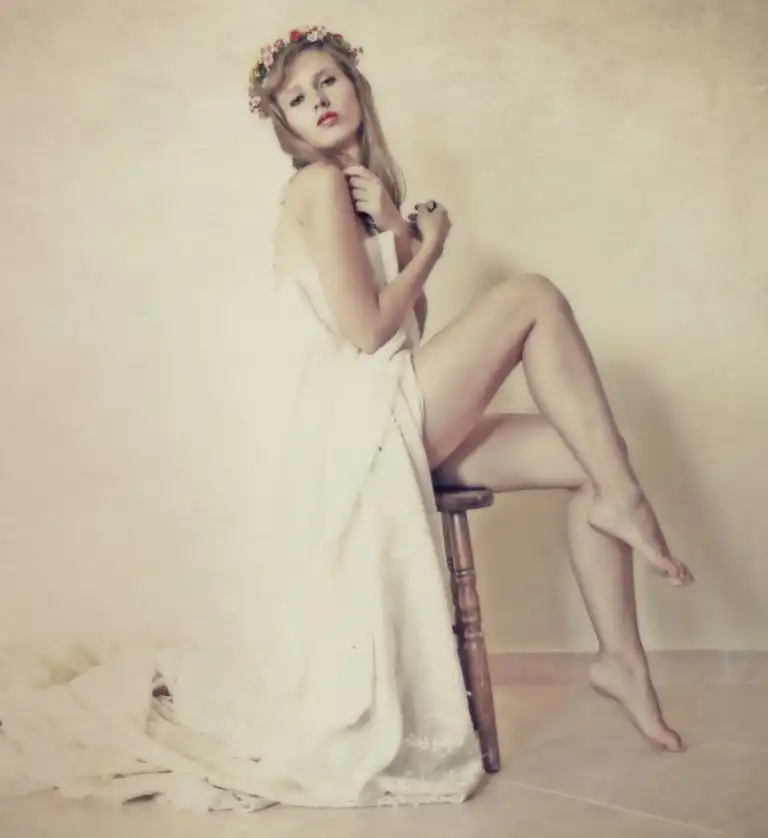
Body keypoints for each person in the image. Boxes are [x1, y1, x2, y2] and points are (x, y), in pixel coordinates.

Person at [0, 24, 694, 815]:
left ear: (356, 87)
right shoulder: (319, 186)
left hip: (385, 410)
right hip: (349, 430)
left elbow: (406, 332)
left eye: (328, 81)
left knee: (591, 454)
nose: (318, 101)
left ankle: (620, 659)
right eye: (298, 97)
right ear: (285, 124)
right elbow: (366, 336)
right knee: (531, 296)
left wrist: (398, 233)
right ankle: (627, 502)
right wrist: (431, 248)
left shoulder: (363, 194)